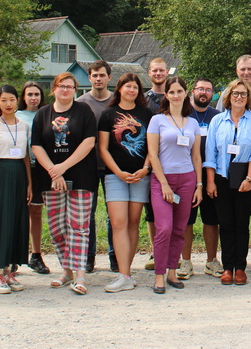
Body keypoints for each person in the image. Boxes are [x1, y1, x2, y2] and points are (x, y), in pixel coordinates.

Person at [31, 72, 98, 295]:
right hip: (51, 180)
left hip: (81, 176)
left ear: (75, 90)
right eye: (62, 86)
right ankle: (66, 270)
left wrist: (63, 167)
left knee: (78, 227)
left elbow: (89, 142)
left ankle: (80, 275)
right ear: (54, 89)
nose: (66, 90)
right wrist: (54, 171)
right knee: (57, 228)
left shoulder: (84, 111)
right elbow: (36, 145)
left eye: (70, 86)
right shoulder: (43, 114)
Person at [146, 76, 203, 294]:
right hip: (163, 179)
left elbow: (196, 156)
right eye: (172, 92)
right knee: (164, 229)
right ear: (166, 95)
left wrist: (199, 185)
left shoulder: (193, 123)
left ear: (186, 94)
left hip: (187, 179)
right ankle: (159, 275)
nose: (176, 95)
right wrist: (164, 184)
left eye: (180, 91)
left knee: (179, 230)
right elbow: (153, 154)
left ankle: (172, 272)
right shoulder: (157, 120)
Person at [205, 80, 251, 286]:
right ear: (228, 97)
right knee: (226, 224)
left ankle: (240, 268)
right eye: (235, 93)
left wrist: (249, 179)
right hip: (221, 179)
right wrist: (210, 181)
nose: (239, 97)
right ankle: (227, 267)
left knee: (241, 224)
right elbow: (210, 153)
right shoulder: (217, 121)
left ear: (249, 98)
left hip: (245, 180)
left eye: (243, 94)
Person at [98, 73, 153, 292]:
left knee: (133, 223)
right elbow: (103, 148)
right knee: (119, 223)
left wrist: (145, 169)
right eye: (128, 86)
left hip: (141, 176)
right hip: (115, 176)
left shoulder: (147, 114)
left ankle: (126, 273)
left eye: (135, 87)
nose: (132, 90)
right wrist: (118, 172)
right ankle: (124, 276)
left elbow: (152, 146)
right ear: (119, 88)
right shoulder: (108, 114)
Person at [0, 85, 32, 294]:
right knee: (1, 222)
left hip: (20, 174)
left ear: (17, 100)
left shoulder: (24, 126)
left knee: (17, 221)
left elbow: (26, 156)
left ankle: (10, 271)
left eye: (11, 99)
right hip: (1, 174)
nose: (8, 104)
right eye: (4, 100)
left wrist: (29, 183)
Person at [180, 77, 224, 279]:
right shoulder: (182, 114)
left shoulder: (217, 117)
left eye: (208, 90)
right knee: (186, 220)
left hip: (210, 174)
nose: (203, 93)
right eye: (200, 89)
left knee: (211, 220)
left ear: (212, 94)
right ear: (192, 92)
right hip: (186, 174)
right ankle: (185, 262)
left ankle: (211, 261)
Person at [75, 60, 113, 273]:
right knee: (86, 214)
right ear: (89, 78)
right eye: (95, 75)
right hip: (86, 166)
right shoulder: (80, 103)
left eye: (102, 75)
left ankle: (115, 256)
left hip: (112, 166)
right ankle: (88, 257)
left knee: (113, 213)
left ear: (109, 77)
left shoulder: (117, 101)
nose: (98, 79)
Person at [16, 81, 51, 275]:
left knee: (36, 211)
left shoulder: (47, 114)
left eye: (37, 94)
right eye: (29, 94)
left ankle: (36, 254)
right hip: (20, 167)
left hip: (42, 168)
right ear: (23, 97)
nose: (33, 98)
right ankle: (13, 255)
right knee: (17, 212)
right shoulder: (16, 115)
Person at [143, 57, 169, 271]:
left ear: (167, 72)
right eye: (155, 70)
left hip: (173, 161)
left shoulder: (174, 96)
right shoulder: (143, 100)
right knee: (151, 211)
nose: (158, 74)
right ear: (149, 73)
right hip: (148, 161)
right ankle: (155, 250)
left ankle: (172, 251)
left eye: (161, 70)